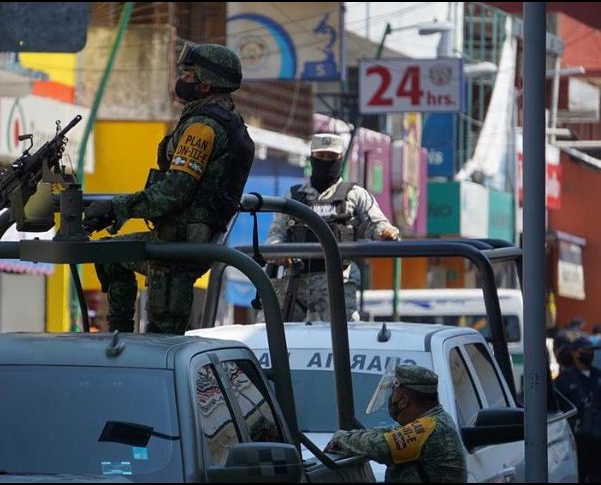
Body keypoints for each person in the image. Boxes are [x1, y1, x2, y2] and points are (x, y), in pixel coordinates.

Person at [82, 43, 254, 335]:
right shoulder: (219, 119)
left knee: (162, 344)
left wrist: (116, 208)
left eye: (189, 75)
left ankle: (122, 341)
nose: (182, 81)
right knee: (109, 254)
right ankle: (118, 336)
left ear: (205, 84)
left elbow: (173, 192)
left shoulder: (203, 127)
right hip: (182, 239)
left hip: (181, 247)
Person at [265, 133, 399, 321]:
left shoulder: (354, 194)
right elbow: (276, 234)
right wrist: (278, 251)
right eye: (321, 157)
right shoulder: (294, 196)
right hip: (296, 284)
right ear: (312, 158)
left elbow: (377, 224)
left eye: (331, 158)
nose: (325, 162)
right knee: (275, 333)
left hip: (338, 282)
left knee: (344, 339)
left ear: (340, 159)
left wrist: (386, 233)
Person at [325, 364, 467, 483]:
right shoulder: (434, 420)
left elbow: (382, 446)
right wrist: (351, 435)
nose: (391, 398)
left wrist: (341, 439)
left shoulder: (430, 427)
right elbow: (389, 433)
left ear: (404, 400)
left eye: (393, 392)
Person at [553, 332, 601, 483]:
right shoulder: (564, 380)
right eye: (586, 350)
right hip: (577, 439)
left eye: (592, 350)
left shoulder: (597, 375)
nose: (590, 353)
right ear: (574, 353)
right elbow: (557, 410)